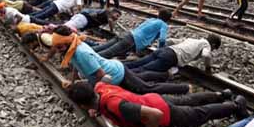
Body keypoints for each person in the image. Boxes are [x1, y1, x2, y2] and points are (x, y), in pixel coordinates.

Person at [66, 81, 248, 127]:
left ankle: (235, 106)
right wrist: (97, 109)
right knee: (190, 99)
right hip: (153, 99)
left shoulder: (114, 105)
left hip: (163, 113)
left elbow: (156, 116)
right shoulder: (99, 87)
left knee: (200, 114)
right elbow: (103, 93)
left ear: (83, 105)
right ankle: (221, 94)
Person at [46, 29, 191, 95]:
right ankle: (166, 77)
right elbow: (76, 68)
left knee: (146, 89)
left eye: (60, 47)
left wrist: (100, 97)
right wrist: (73, 82)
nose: (58, 50)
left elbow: (103, 77)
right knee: (141, 81)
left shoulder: (82, 53)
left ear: (68, 42)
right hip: (113, 72)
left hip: (116, 74)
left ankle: (184, 88)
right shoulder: (71, 49)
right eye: (56, 47)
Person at [125, 35, 221, 75]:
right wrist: (208, 67)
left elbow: (170, 40)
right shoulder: (206, 45)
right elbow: (206, 55)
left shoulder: (193, 40)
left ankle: (117, 66)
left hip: (164, 50)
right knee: (143, 69)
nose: (211, 50)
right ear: (213, 45)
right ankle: (120, 74)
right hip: (170, 57)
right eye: (213, 49)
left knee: (138, 63)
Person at [94, 9, 172, 59]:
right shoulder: (163, 25)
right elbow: (162, 39)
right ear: (168, 20)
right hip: (132, 41)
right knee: (107, 53)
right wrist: (159, 50)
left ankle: (84, 52)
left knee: (103, 47)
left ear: (158, 15)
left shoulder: (152, 19)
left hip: (127, 34)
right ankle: (85, 59)